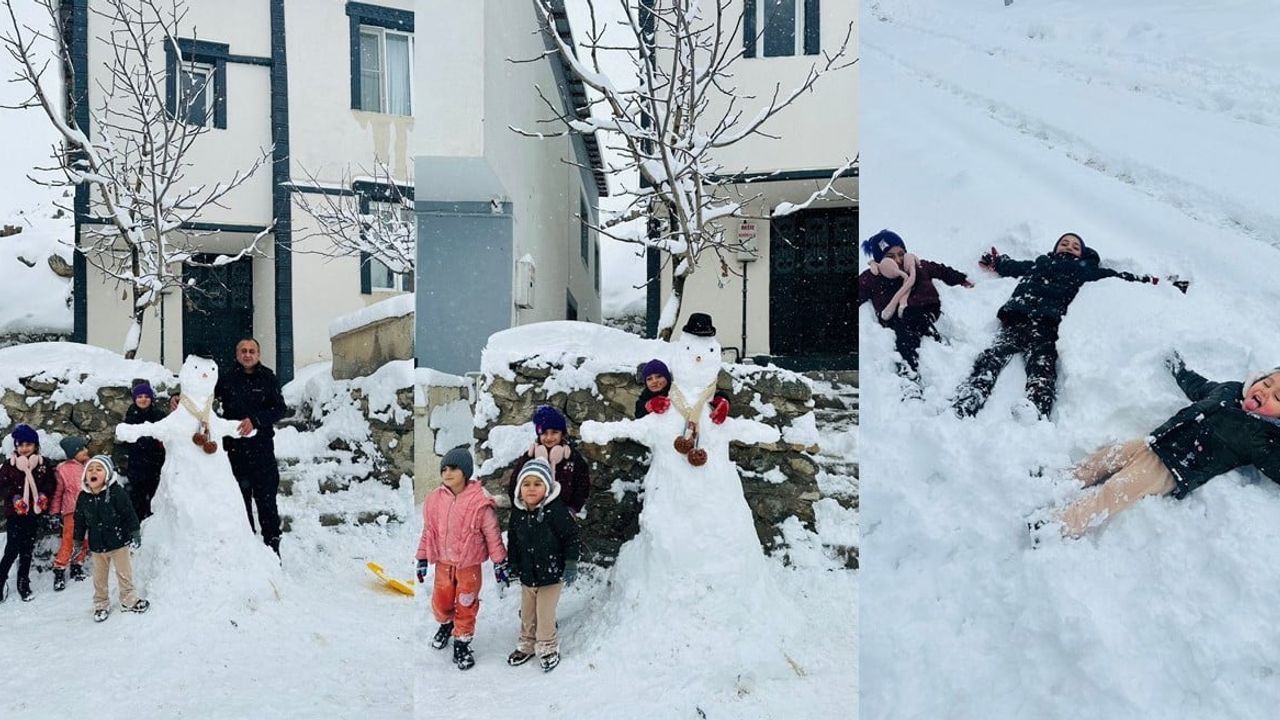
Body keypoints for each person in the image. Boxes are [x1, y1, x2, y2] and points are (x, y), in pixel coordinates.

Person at [1046, 352, 1280, 537]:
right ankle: (1060, 480)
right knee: (1106, 457)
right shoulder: (1229, 389)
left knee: (1114, 492)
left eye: (1278, 397)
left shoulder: (1262, 437)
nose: (1265, 392)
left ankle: (1059, 525)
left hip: (1170, 469)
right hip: (1155, 442)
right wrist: (1179, 368)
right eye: (1267, 383)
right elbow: (1197, 386)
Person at [953, 233, 1159, 419]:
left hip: (1047, 325)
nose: (1069, 247)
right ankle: (971, 395)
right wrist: (999, 262)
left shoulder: (1086, 270)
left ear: (1082, 254)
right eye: (1064, 243)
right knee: (992, 357)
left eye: (1075, 247)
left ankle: (1036, 408)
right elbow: (1015, 267)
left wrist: (1150, 280)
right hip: (1017, 317)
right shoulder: (1040, 263)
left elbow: (1119, 277)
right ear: (1056, 248)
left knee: (1042, 367)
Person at [416, 446, 509, 671]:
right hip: (443, 564)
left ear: (465, 472)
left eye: (453, 468)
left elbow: (492, 534)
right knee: (441, 602)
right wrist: (422, 558)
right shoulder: (435, 500)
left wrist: (499, 562)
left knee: (466, 604)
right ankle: (446, 624)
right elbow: (429, 531)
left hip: (469, 565)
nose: (447, 473)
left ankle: (462, 642)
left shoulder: (479, 501)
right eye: (444, 469)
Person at [858, 230, 973, 379]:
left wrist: (961, 279)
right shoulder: (873, 278)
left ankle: (938, 346)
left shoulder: (918, 266)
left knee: (915, 316)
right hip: (895, 318)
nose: (898, 260)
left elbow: (941, 270)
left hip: (926, 308)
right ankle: (909, 371)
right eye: (890, 257)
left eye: (901, 254)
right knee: (903, 333)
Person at [505, 457, 581, 672]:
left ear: (546, 488)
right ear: (519, 489)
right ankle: (527, 643)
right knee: (527, 612)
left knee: (545, 613)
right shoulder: (518, 513)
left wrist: (571, 563)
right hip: (528, 574)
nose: (531, 489)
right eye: (526, 484)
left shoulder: (556, 511)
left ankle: (547, 646)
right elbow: (513, 540)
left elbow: (571, 537)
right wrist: (513, 564)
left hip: (551, 573)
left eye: (537, 484)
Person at [214, 338, 287, 554]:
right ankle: (247, 551)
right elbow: (203, 396)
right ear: (237, 354)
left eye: (251, 351)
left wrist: (256, 420)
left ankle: (272, 548)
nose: (247, 355)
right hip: (235, 451)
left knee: (267, 502)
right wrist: (178, 397)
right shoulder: (226, 379)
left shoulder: (268, 378)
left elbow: (279, 409)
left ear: (258, 354)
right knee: (240, 502)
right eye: (243, 351)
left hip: (262, 450)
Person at [75, 455, 149, 621]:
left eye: (99, 469)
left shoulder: (116, 493)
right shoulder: (83, 497)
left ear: (107, 474)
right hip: (97, 545)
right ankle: (101, 604)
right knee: (99, 578)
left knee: (124, 573)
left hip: (119, 541)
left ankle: (129, 600)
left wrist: (135, 531)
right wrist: (78, 540)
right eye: (90, 470)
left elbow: (128, 512)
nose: (94, 472)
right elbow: (79, 520)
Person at [0, 424, 56, 602]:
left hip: (33, 513)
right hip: (15, 514)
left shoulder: (42, 464)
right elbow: (3, 486)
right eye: (21, 445)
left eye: (28, 444)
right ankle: (1, 579)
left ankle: (23, 582)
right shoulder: (10, 465)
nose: (24, 448)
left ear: (35, 446)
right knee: (12, 549)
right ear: (16, 446)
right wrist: (15, 498)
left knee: (27, 549)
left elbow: (50, 483)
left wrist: (43, 495)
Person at [505, 406, 591, 519]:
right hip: (532, 512)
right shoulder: (530, 457)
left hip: (563, 514)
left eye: (554, 432)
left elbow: (582, 485)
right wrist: (520, 508)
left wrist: (573, 508)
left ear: (562, 434)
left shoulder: (572, 458)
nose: (549, 437)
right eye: (544, 433)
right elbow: (515, 483)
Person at [51, 435, 92, 590]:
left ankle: (77, 565)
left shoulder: (91, 465)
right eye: (81, 449)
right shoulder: (63, 470)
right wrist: (55, 512)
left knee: (84, 539)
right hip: (71, 511)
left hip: (89, 510)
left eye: (85, 447)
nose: (85, 450)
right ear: (73, 453)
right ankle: (59, 569)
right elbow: (58, 493)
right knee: (69, 540)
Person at [122, 382, 167, 520]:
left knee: (156, 497)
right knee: (138, 499)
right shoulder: (131, 415)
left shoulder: (159, 415)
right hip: (137, 464)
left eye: (146, 396)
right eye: (140, 396)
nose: (143, 399)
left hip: (156, 463)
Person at [634, 358, 731, 421]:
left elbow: (706, 393)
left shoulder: (677, 389)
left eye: (659, 376)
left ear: (667, 377)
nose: (654, 381)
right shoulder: (646, 395)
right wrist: (649, 406)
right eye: (649, 379)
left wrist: (722, 401)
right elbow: (638, 413)